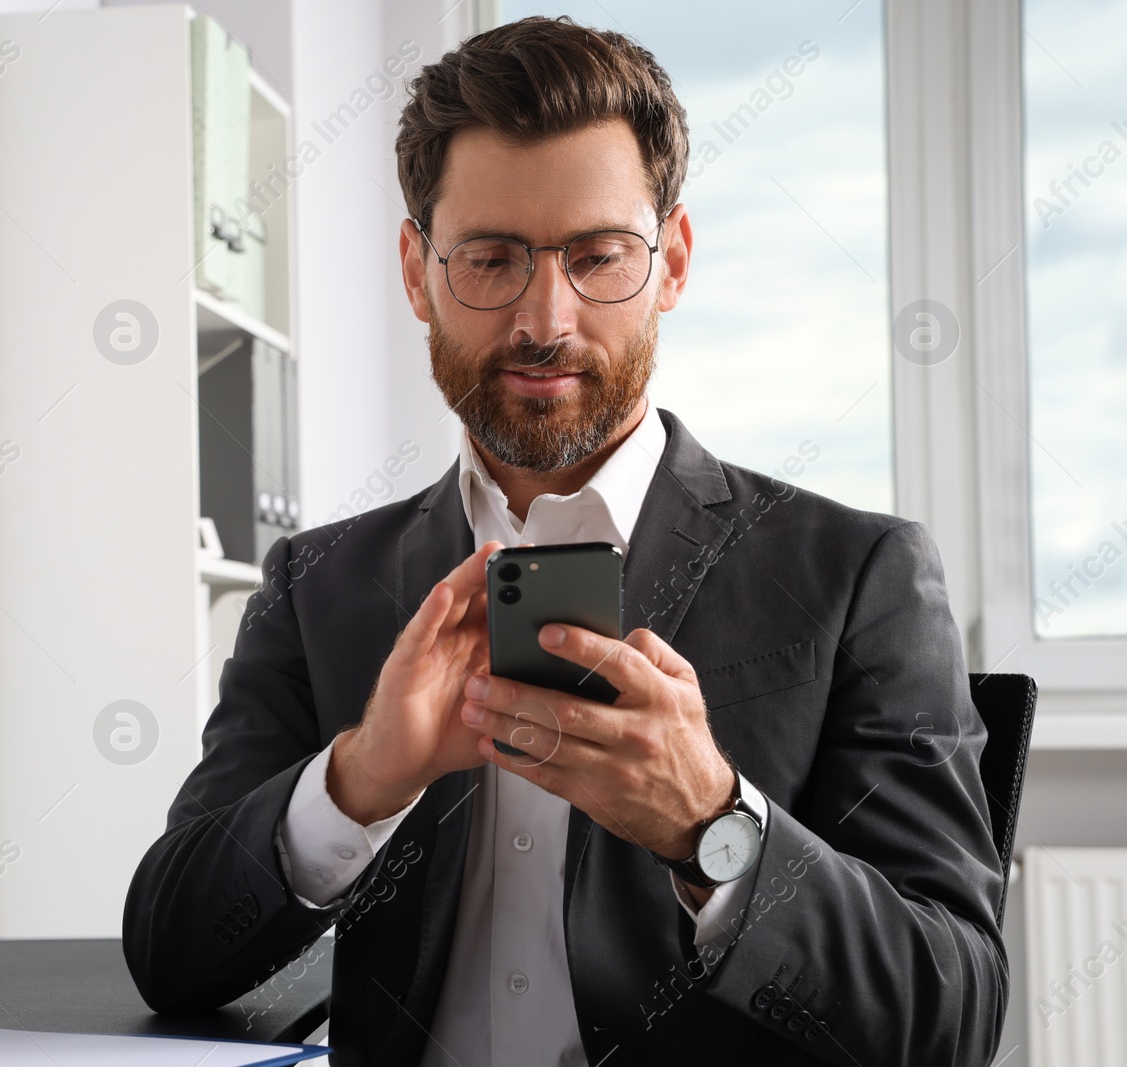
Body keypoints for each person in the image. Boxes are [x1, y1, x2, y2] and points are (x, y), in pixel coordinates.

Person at [124, 16, 1007, 1065]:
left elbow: (950, 1010)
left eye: (598, 256)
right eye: (491, 259)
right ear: (418, 271)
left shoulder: (857, 574)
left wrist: (712, 826)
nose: (545, 317)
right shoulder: (317, 584)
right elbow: (170, 954)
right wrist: (356, 779)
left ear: (671, 262)